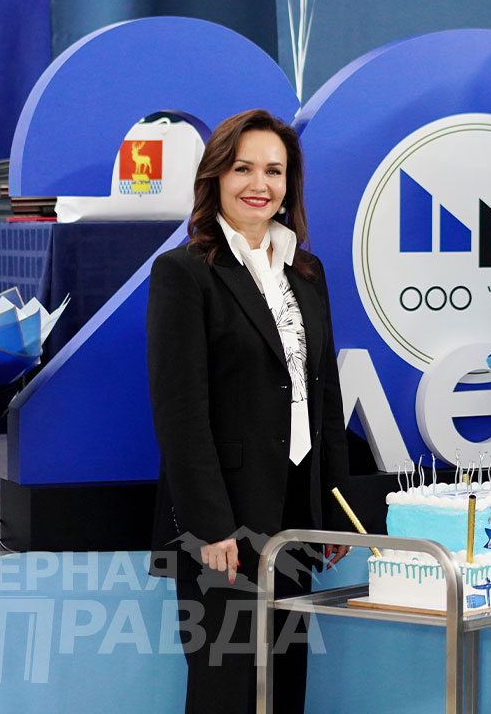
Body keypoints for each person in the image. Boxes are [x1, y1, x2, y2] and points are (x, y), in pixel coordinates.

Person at [146, 109, 349, 713]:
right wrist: (210, 526)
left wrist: (335, 509)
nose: (260, 184)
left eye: (274, 171)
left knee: (285, 684)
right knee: (228, 687)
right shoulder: (183, 273)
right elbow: (180, 412)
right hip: (226, 521)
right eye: (243, 168)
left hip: (296, 510)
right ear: (215, 177)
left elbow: (324, 395)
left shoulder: (307, 271)